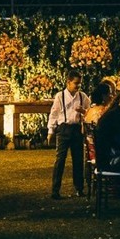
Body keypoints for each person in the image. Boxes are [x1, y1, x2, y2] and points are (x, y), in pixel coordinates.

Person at [48, 69, 90, 199]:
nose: (78, 86)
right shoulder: (60, 96)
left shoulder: (83, 96)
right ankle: (55, 190)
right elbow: (54, 114)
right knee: (60, 160)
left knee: (78, 160)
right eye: (75, 83)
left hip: (77, 129)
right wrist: (51, 131)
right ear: (68, 82)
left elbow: (90, 112)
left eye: (79, 84)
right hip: (64, 129)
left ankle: (79, 188)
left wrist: (83, 111)